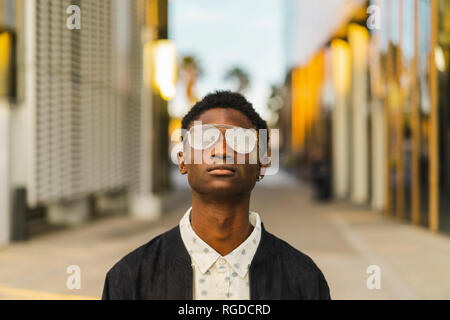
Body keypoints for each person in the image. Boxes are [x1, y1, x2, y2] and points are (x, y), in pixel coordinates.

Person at [102, 91, 330, 300]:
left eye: (240, 140)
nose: (221, 151)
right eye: (204, 139)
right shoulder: (129, 278)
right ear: (182, 160)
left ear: (261, 165)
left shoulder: (305, 279)